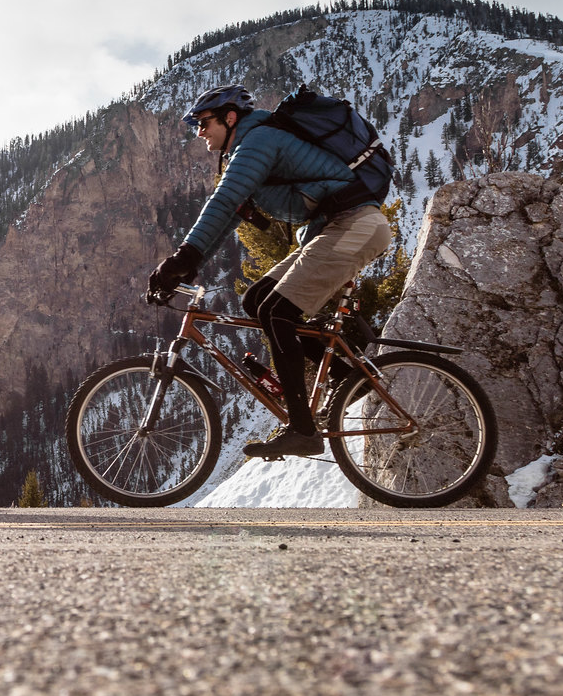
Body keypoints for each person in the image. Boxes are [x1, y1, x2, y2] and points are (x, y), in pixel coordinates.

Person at [146, 86, 395, 460]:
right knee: (258, 299)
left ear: (231, 118)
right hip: (336, 228)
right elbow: (230, 215)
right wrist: (187, 266)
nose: (199, 132)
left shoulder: (258, 141)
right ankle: (347, 379)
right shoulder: (250, 148)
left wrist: (180, 258)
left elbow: (225, 199)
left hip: (355, 225)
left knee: (279, 311)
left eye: (204, 122)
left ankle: (302, 430)